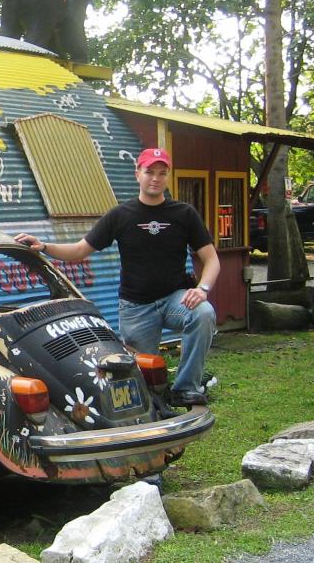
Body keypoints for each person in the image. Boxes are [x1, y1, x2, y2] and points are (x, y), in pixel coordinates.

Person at [15, 147, 220, 406]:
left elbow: (211, 259)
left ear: (168, 176)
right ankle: (154, 409)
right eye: (149, 172)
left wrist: (202, 288)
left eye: (161, 173)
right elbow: (79, 250)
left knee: (203, 313)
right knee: (142, 384)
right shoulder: (121, 215)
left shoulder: (184, 214)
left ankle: (184, 388)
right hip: (136, 308)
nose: (155, 178)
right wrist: (44, 246)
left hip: (174, 300)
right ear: (138, 174)